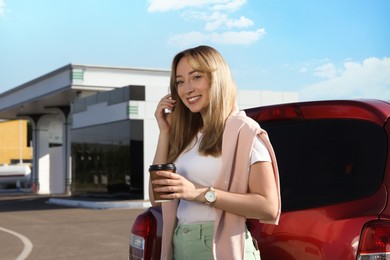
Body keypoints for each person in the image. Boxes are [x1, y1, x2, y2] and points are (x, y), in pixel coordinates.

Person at [151, 45, 281, 260]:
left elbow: (268, 206)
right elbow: (157, 197)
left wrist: (197, 193)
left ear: (217, 79)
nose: (187, 89)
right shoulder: (187, 137)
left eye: (196, 77)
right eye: (180, 82)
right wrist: (164, 132)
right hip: (180, 244)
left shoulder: (244, 132)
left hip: (218, 247)